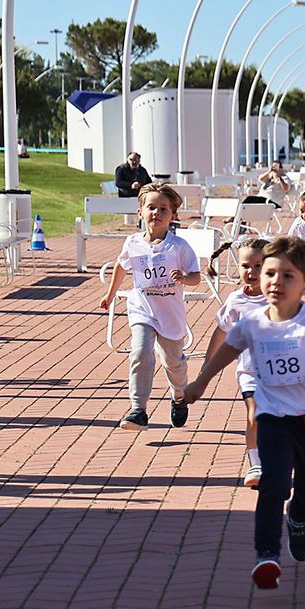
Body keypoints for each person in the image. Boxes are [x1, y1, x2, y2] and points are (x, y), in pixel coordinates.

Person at [184, 236, 305, 590]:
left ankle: (299, 521)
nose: (275, 281)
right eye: (270, 273)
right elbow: (228, 349)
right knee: (272, 483)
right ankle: (267, 554)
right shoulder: (253, 322)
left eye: (288, 276)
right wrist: (200, 381)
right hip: (272, 416)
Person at [99, 183, 201, 430]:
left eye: (163, 209)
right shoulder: (133, 243)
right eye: (151, 207)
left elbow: (196, 276)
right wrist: (110, 294)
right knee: (140, 353)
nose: (157, 213)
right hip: (142, 309)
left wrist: (185, 279)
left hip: (169, 314)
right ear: (140, 212)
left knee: (173, 363)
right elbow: (121, 266)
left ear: (172, 215)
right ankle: (138, 409)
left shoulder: (179, 246)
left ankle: (179, 397)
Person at [203, 236, 271, 488]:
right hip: (250, 371)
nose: (251, 272)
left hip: (282, 372)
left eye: (258, 266)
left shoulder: (283, 295)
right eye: (245, 266)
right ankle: (255, 463)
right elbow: (221, 331)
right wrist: (207, 367)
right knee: (255, 414)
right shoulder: (235, 301)